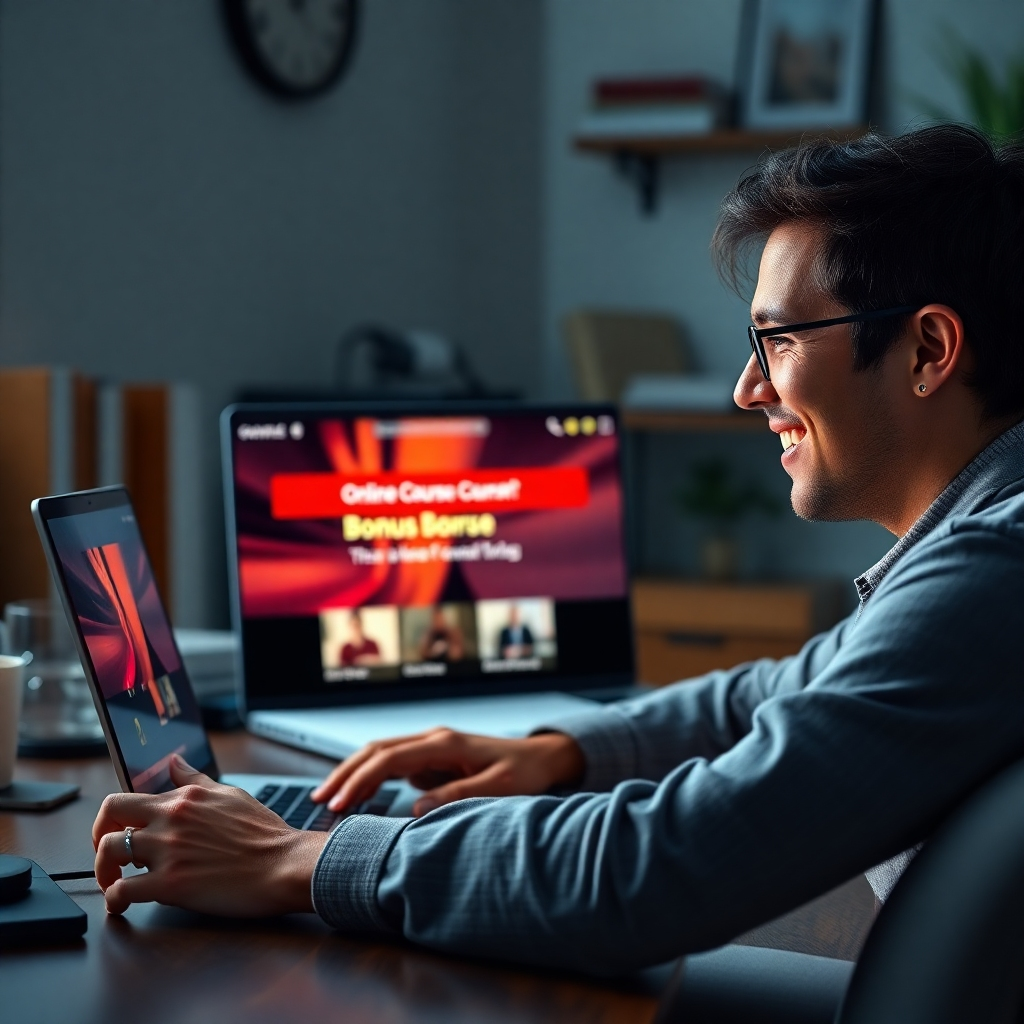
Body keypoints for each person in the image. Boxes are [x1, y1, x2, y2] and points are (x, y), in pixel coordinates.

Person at [91, 125, 1024, 975]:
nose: (747, 390)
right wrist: (560, 753)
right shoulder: (978, 554)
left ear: (927, 350)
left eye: (777, 340)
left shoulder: (995, 570)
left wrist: (297, 857)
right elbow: (778, 692)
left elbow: (662, 868)